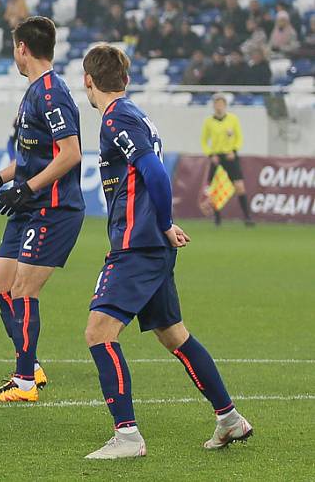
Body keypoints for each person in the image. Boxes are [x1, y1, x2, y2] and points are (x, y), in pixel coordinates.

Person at [80, 45, 252, 459]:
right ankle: (229, 418)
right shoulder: (136, 115)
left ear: (88, 81)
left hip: (137, 245)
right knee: (174, 333)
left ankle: (127, 437)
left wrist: (161, 222)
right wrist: (163, 225)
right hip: (150, 244)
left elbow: (155, 172)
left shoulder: (117, 118)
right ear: (126, 79)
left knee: (99, 333)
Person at [0, 16, 85, 403]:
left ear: (22, 48)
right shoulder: (34, 91)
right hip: (29, 204)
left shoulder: (51, 93)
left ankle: (23, 383)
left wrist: (27, 188)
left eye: (14, 48)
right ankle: (30, 363)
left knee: (23, 289)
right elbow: (34, 157)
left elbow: (70, 154)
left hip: (52, 206)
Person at [200, 94, 254, 226]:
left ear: (225, 105)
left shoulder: (232, 119)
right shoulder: (209, 122)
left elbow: (239, 138)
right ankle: (217, 218)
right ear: (214, 106)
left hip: (230, 157)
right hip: (216, 157)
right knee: (214, 189)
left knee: (239, 186)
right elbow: (204, 141)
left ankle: (247, 217)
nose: (219, 107)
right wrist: (211, 154)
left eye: (221, 104)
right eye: (216, 104)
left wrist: (234, 150)